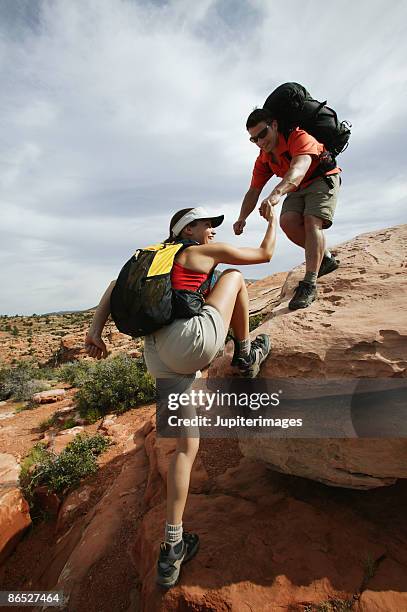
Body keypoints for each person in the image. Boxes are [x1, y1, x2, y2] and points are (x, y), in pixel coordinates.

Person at [85, 205, 276, 588]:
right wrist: (272, 221)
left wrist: (94, 332)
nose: (212, 232)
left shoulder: (150, 257)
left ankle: (172, 546)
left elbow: (112, 286)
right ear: (189, 230)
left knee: (185, 448)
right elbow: (265, 255)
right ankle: (244, 353)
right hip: (188, 343)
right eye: (208, 225)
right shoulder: (196, 253)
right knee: (235, 276)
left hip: (156, 354)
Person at [233, 108, 341, 310]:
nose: (260, 142)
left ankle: (309, 283)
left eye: (262, 134)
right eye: (254, 139)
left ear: (274, 125)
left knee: (312, 221)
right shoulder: (264, 158)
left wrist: (276, 194)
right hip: (297, 186)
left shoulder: (298, 137)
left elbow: (298, 169)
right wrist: (242, 218)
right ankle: (325, 258)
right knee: (288, 222)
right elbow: (254, 190)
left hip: (321, 179)